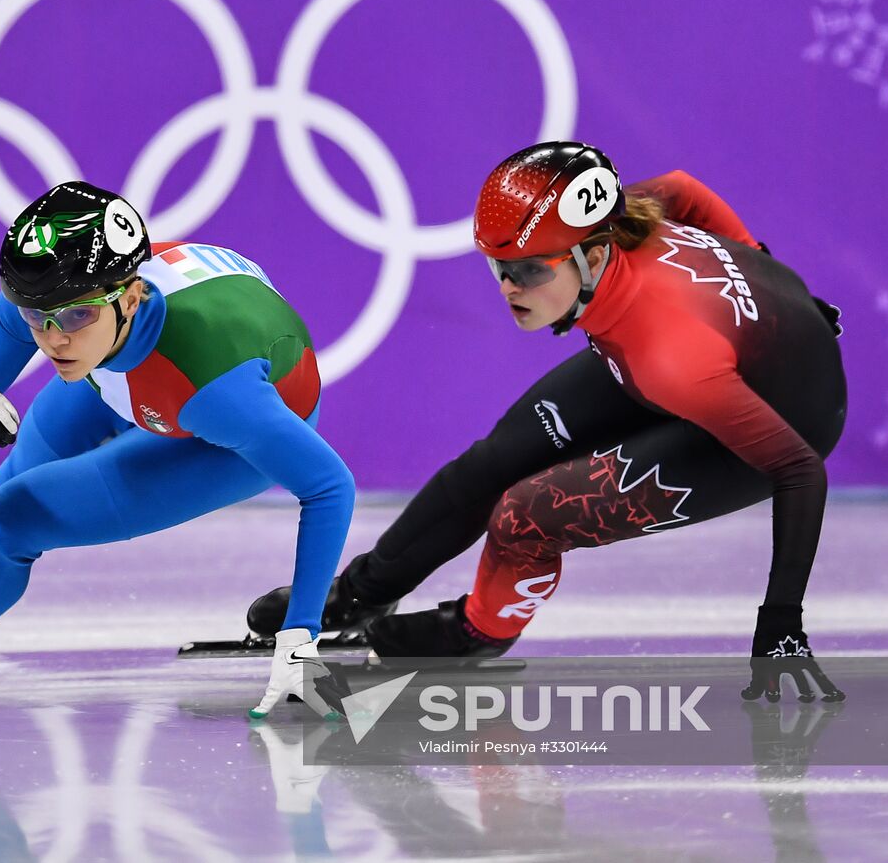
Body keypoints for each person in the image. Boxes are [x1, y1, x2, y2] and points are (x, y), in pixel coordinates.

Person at [248, 142, 846, 701]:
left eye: (532, 270)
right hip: (700, 355)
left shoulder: (671, 358)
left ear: (591, 257)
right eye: (498, 268)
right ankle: (359, 595)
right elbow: (685, 190)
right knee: (491, 463)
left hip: (780, 422)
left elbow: (800, 469)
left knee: (525, 516)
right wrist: (766, 280)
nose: (510, 287)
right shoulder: (622, 218)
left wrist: (780, 622)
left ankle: (478, 631)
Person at [0, 181, 353, 718]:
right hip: (127, 368)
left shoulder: (219, 393)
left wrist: (301, 632)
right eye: (37, 319)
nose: (54, 338)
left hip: (216, 418)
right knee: (7, 480)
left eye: (76, 315)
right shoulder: (51, 297)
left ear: (131, 297)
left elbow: (329, 486)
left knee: (13, 520)